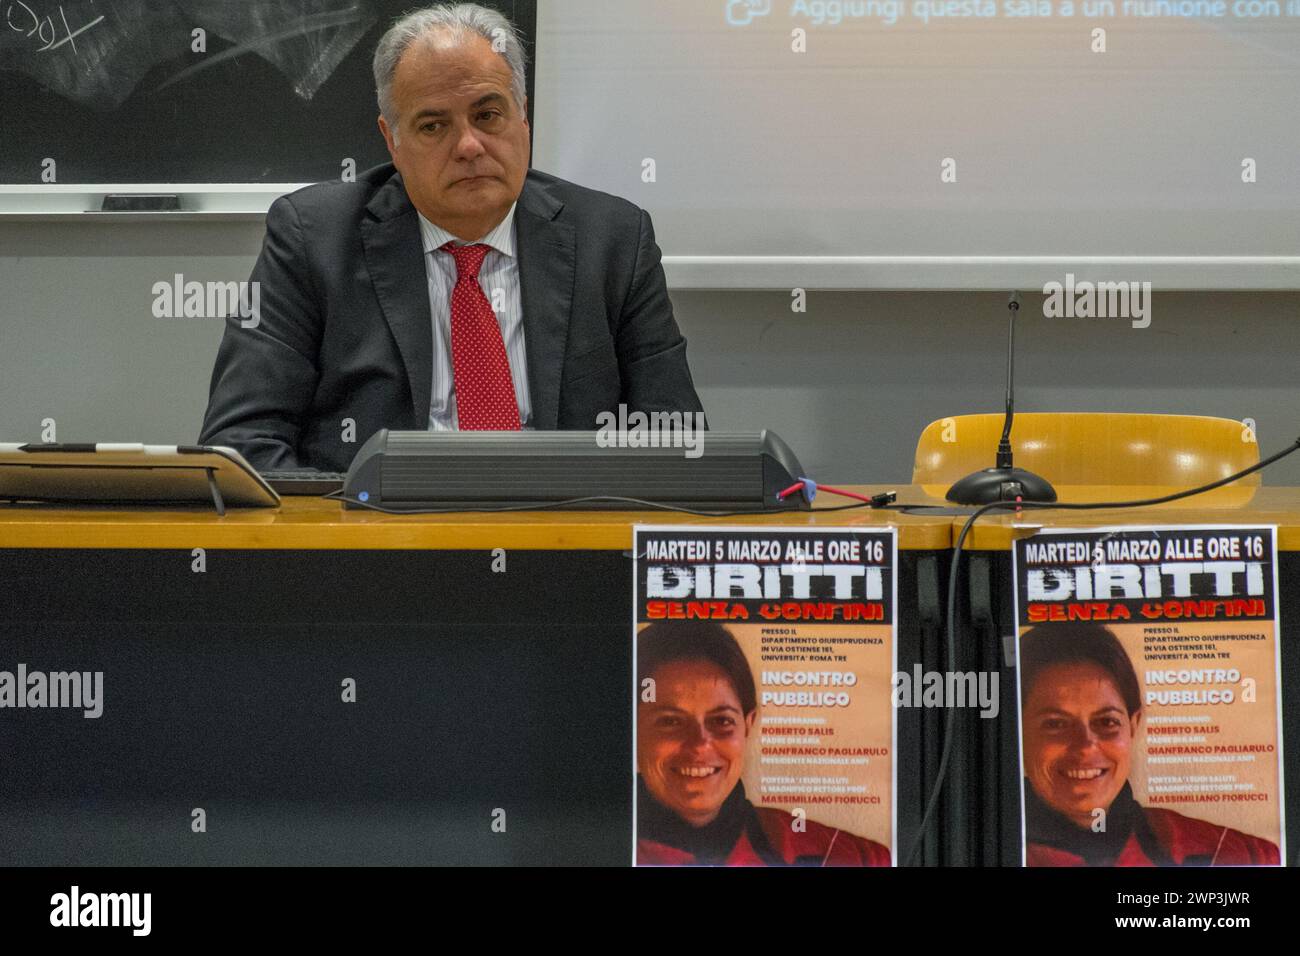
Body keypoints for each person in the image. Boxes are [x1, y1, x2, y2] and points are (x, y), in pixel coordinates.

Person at [199, 3, 704, 472]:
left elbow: (675, 443)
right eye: (433, 125)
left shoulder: (613, 240)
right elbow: (240, 447)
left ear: (523, 117)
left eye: (487, 115)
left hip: (556, 536)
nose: (468, 145)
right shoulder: (314, 240)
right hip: (383, 542)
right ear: (391, 141)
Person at [1019, 622, 1280, 866]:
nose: (1086, 746)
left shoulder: (1241, 854)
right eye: (1055, 724)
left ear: (1134, 725)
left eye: (1107, 722)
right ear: (1017, 731)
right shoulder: (987, 846)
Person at [636, 620, 890, 866]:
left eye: (722, 721)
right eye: (670, 722)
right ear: (632, 730)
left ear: (748, 725)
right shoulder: (601, 846)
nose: (700, 745)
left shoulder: (851, 857)